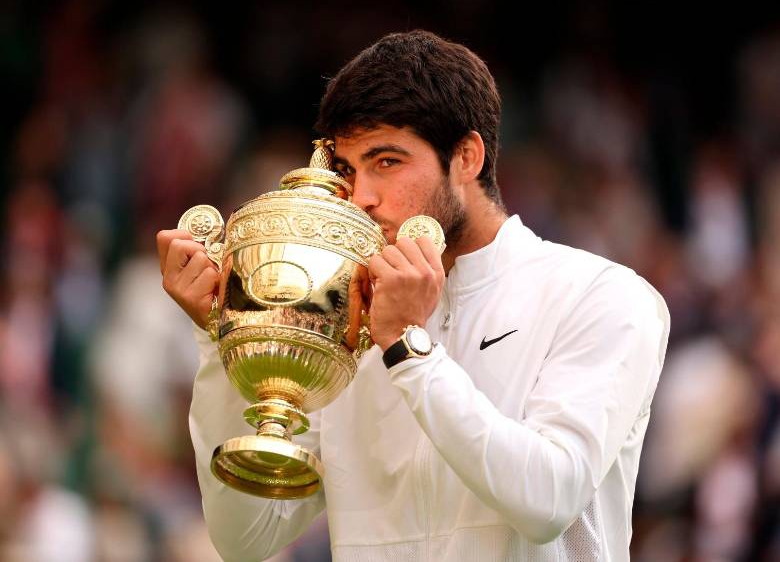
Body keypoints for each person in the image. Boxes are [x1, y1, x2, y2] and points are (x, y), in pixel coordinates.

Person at [156, 30, 670, 561]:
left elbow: (548, 499)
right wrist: (220, 338)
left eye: (386, 161)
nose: (361, 197)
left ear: (466, 157)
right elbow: (245, 538)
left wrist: (407, 348)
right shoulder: (343, 320)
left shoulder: (602, 295)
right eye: (348, 170)